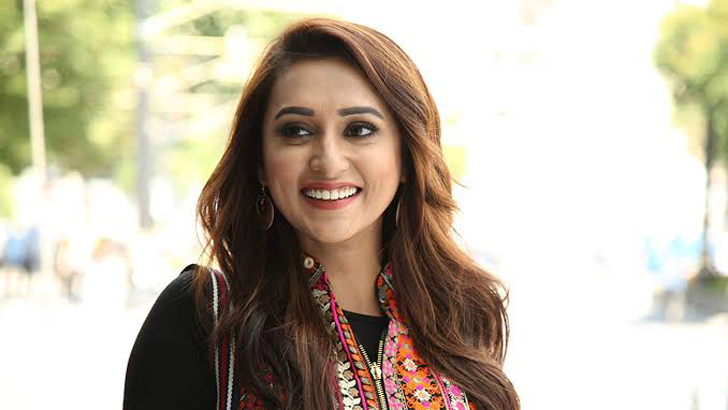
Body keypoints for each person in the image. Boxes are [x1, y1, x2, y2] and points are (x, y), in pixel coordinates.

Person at [123, 18, 519, 410]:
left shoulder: (461, 314)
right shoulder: (204, 318)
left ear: (406, 156)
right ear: (260, 162)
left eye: (359, 130)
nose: (328, 161)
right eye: (297, 131)